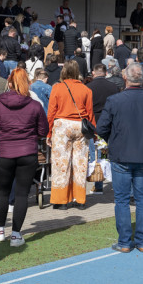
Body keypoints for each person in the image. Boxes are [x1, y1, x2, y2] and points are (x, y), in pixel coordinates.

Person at [97, 63, 143, 252]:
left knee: (122, 200)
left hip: (122, 154)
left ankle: (125, 242)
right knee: (142, 199)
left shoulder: (115, 100)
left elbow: (101, 128)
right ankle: (142, 241)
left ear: (126, 78)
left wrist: (113, 140)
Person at [0, 68, 48, 246]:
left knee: (3, 192)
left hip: (5, 152)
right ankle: (15, 234)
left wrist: (5, 130)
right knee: (21, 194)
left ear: (10, 83)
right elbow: (43, 130)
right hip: (27, 153)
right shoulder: (35, 105)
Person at [47, 61, 94, 209]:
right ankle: (79, 199)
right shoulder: (86, 89)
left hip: (62, 126)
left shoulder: (57, 88)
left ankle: (61, 200)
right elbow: (90, 114)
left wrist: (48, 132)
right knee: (80, 163)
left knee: (61, 163)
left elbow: (51, 113)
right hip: (80, 126)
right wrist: (95, 132)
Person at [87, 63, 119, 193]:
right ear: (106, 73)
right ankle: (112, 181)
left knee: (95, 154)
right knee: (106, 153)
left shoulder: (88, 88)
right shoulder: (114, 87)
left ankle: (98, 184)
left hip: (94, 124)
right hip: (110, 124)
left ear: (94, 73)